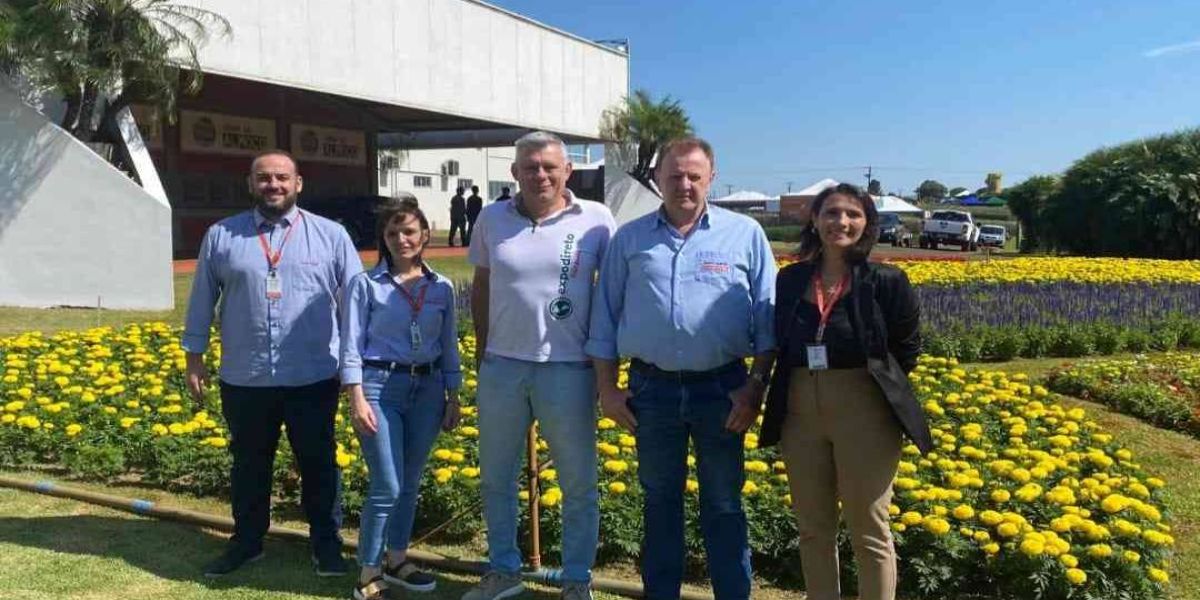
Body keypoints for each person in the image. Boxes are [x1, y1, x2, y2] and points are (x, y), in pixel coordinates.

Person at [587, 137, 776, 600]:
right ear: (657, 179)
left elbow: (769, 321)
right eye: (674, 175)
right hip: (651, 393)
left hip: (724, 390)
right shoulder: (629, 239)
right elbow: (604, 318)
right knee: (660, 503)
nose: (685, 185)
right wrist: (608, 391)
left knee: (725, 503)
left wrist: (755, 389)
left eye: (694, 175)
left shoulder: (745, 234)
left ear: (712, 176)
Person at [183, 149, 363, 578]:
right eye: (264, 178)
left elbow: (355, 305)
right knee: (248, 462)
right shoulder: (222, 236)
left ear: (298, 184)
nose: (273, 185)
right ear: (251, 184)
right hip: (245, 376)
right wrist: (194, 357)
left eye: (282, 177)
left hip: (314, 373)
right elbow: (202, 300)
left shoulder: (331, 236)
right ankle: (246, 543)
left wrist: (353, 370)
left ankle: (326, 544)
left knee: (318, 461)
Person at [759, 183, 933, 600]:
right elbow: (780, 339)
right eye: (832, 213)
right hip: (800, 410)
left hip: (864, 412)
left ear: (867, 224)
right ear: (815, 221)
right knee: (813, 528)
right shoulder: (791, 279)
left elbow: (907, 348)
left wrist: (870, 387)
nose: (842, 222)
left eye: (853, 214)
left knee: (868, 527)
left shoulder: (886, 280)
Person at [463, 131, 616, 600]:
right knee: (496, 477)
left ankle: (576, 580)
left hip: (568, 369)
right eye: (530, 167)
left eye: (550, 166)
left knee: (578, 483)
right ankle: (504, 571)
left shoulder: (596, 219)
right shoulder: (491, 219)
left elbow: (610, 297)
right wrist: (486, 351)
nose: (541, 174)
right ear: (514, 173)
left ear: (568, 171)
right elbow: (482, 287)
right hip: (503, 368)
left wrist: (602, 368)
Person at [340, 194, 463, 600]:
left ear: (425, 234)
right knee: (387, 485)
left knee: (409, 483)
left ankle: (397, 559)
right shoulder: (365, 285)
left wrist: (454, 394)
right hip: (379, 387)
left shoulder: (441, 288)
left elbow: (449, 345)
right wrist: (356, 397)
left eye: (409, 230)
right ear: (385, 238)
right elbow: (351, 346)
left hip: (427, 389)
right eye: (393, 232)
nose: (401, 239)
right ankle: (368, 571)